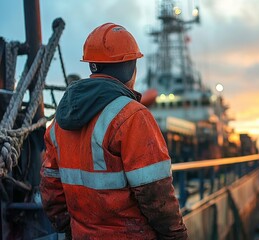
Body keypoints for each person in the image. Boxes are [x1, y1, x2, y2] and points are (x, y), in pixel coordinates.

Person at [40, 23, 188, 239]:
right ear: (130, 67)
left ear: (92, 65)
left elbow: (50, 187)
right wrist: (176, 236)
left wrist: (70, 229)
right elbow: (156, 193)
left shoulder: (60, 121)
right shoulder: (133, 116)